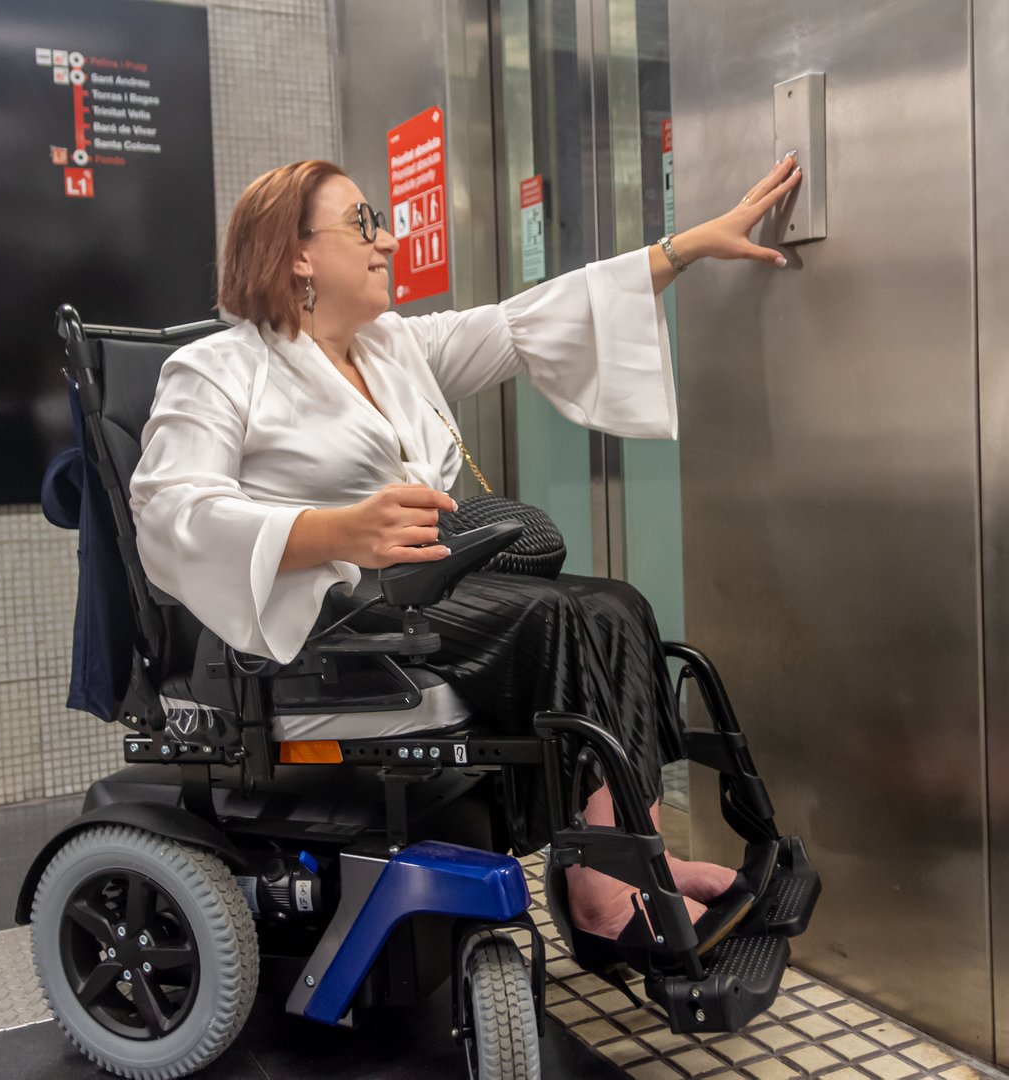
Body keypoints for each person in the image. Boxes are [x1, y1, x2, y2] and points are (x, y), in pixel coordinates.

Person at [129, 157, 801, 949]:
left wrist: (685, 248)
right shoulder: (218, 369)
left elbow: (531, 320)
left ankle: (632, 855)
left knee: (619, 606)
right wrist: (336, 530)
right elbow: (168, 509)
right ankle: (601, 896)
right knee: (556, 619)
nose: (386, 242)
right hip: (326, 618)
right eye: (363, 223)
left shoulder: (389, 350)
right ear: (296, 252)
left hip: (422, 592)